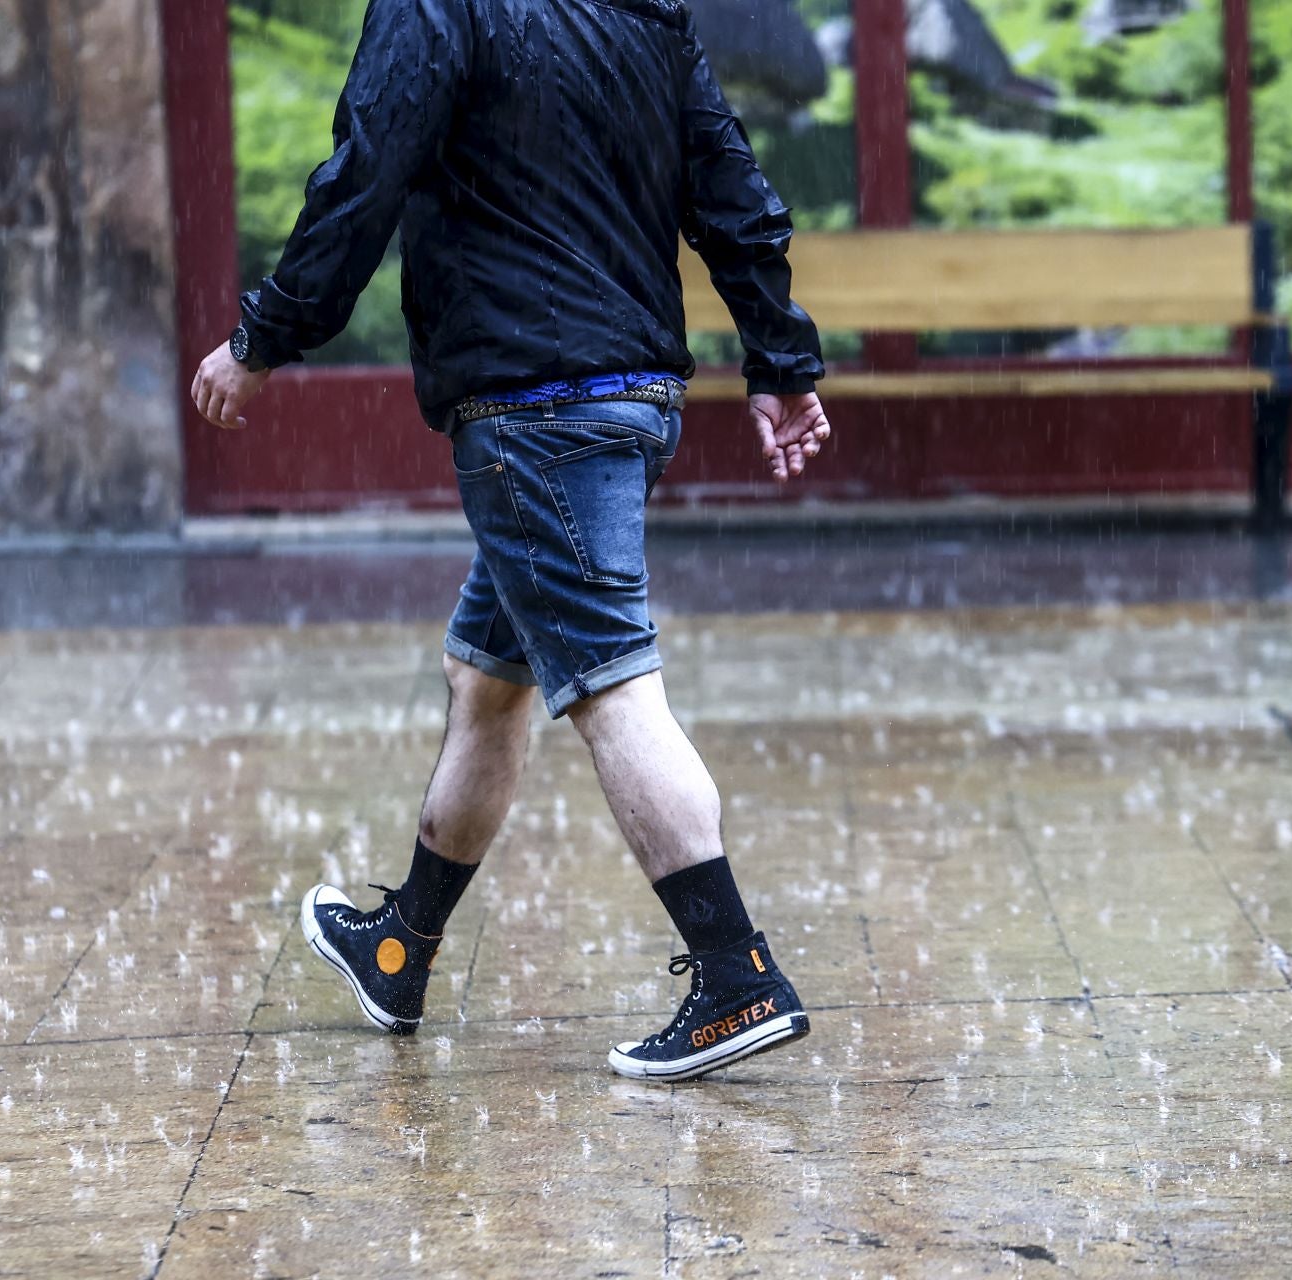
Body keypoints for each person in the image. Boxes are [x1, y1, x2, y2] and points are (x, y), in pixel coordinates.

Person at [190, 0, 831, 1082]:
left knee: (612, 687)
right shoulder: (640, 9)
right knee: (486, 677)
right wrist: (779, 359)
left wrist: (265, 337)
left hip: (534, 410)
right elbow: (731, 190)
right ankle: (401, 947)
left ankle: (736, 973)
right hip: (628, 394)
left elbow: (366, 168)